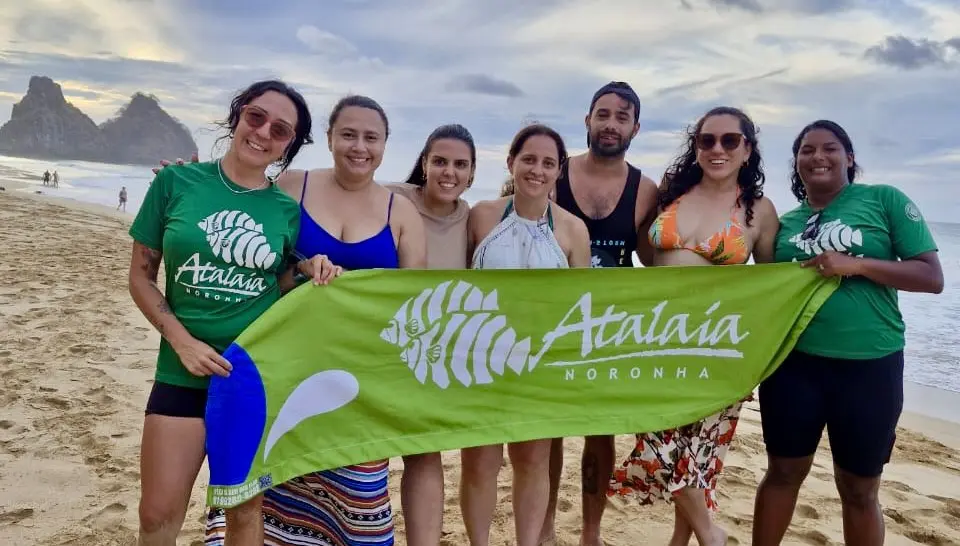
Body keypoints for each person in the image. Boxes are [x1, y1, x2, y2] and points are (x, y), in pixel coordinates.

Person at [204, 94, 427, 546]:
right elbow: (255, 271)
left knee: (355, 502)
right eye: (348, 134)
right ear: (328, 138)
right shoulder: (290, 187)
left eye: (371, 137)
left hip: (359, 380)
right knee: (266, 493)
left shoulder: (400, 212)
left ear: (385, 145)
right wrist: (301, 270)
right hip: (282, 367)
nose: (358, 146)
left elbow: (412, 309)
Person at [127, 79, 314, 546]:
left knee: (244, 514)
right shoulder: (174, 183)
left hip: (249, 377)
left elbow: (281, 282)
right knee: (156, 515)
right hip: (179, 372)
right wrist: (183, 342)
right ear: (237, 117)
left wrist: (314, 269)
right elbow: (141, 278)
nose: (264, 132)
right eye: (256, 117)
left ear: (289, 144)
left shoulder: (286, 211)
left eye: (281, 129)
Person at [752, 120, 943, 546]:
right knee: (783, 472)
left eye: (830, 148)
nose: (818, 156)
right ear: (797, 163)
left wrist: (855, 265)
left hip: (870, 367)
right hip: (793, 367)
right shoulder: (785, 225)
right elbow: (761, 292)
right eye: (806, 150)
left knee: (858, 488)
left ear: (849, 158)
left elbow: (931, 277)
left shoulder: (884, 200)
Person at [608, 106, 779, 546]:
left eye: (729, 140)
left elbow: (772, 287)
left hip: (717, 345)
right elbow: (644, 252)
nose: (717, 149)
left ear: (748, 149)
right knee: (659, 438)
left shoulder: (759, 210)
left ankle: (682, 540)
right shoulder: (671, 192)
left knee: (698, 453)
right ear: (696, 146)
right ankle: (709, 533)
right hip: (656, 337)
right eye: (707, 140)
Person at [462, 123, 591, 546]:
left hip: (541, 363)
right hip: (481, 358)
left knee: (533, 462)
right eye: (529, 159)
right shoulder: (481, 214)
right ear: (511, 162)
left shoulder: (573, 231)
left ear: (559, 171)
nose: (537, 170)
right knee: (480, 463)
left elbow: (582, 307)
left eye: (548, 163)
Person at [544, 80, 659, 546]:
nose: (611, 124)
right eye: (603, 114)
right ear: (587, 119)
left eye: (622, 116)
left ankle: (590, 532)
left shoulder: (645, 189)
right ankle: (546, 526)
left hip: (608, 330)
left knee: (599, 434)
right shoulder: (551, 174)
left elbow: (656, 262)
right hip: (548, 324)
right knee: (545, 431)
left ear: (635, 127)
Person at [383, 123, 475, 543]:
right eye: (440, 161)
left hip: (428, 354)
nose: (448, 172)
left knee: (424, 453)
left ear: (472, 173)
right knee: (363, 458)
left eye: (460, 165)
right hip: (374, 343)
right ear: (424, 163)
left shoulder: (472, 219)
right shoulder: (391, 198)